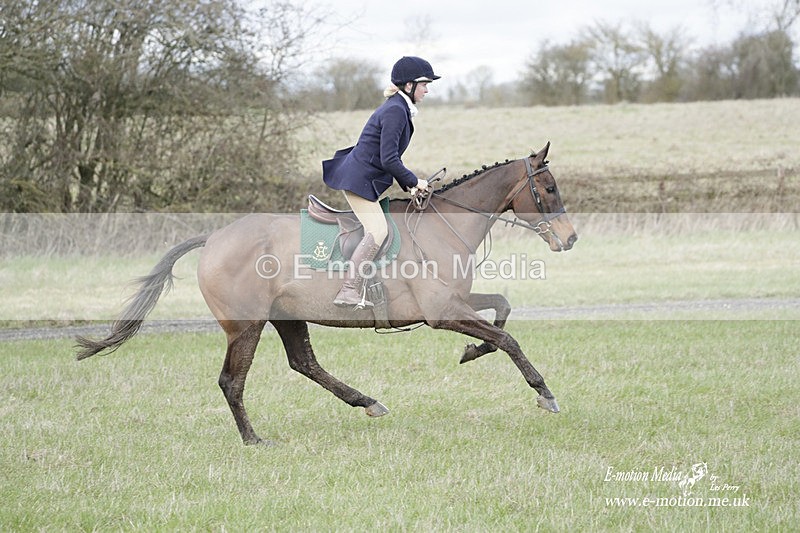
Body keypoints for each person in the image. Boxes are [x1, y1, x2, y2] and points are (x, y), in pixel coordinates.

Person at [322, 56, 440, 308]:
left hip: (363, 178)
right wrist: (413, 181)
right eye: (424, 84)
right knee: (378, 231)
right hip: (358, 180)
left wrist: (409, 186)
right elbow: (389, 159)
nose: (427, 90)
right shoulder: (396, 111)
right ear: (409, 85)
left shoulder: (398, 107)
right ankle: (348, 290)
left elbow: (389, 158)